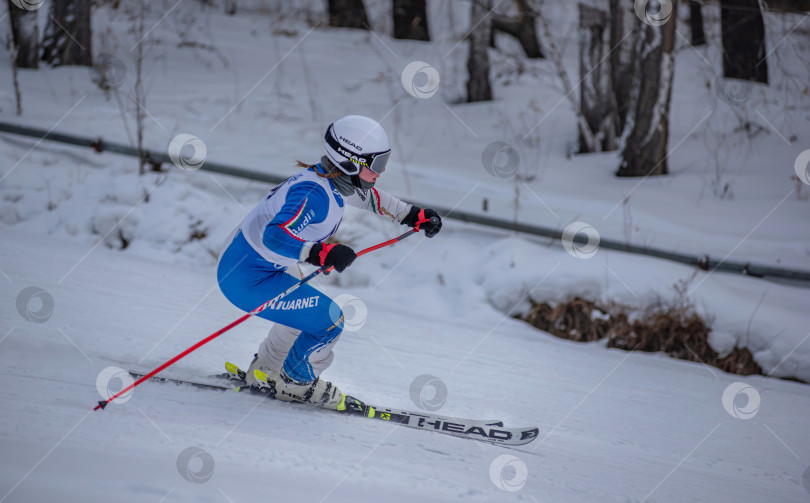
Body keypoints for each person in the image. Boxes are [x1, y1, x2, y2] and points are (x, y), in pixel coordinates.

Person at [216, 115, 442, 410]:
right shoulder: (314, 195)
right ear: (350, 162)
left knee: (305, 314)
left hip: (254, 264)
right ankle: (297, 385)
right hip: (247, 277)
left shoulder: (329, 181)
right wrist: (320, 253)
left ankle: (266, 372)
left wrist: (411, 215)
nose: (381, 172)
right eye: (376, 164)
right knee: (330, 321)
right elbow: (275, 235)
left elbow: (370, 197)